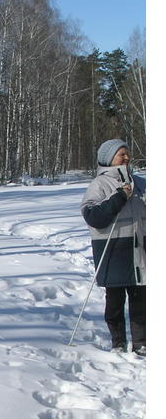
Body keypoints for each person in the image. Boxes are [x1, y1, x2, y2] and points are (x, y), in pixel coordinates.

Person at [80, 138, 146, 355]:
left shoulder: (140, 182)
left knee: (141, 301)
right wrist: (119, 196)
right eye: (121, 154)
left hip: (140, 250)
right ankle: (118, 343)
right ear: (109, 159)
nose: (126, 157)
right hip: (114, 250)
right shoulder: (99, 184)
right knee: (115, 301)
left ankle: (141, 343)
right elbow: (93, 217)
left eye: (127, 153)